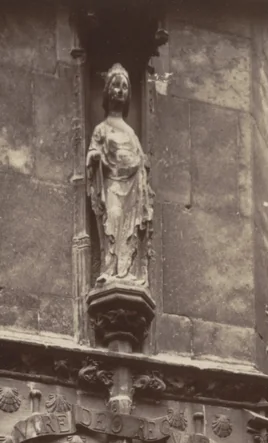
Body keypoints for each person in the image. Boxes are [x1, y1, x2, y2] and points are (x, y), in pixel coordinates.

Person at [86, 63, 153, 288]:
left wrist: (142, 167)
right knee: (112, 219)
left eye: (125, 87)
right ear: (107, 90)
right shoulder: (102, 128)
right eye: (115, 85)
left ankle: (127, 271)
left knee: (130, 229)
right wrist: (95, 158)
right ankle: (109, 269)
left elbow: (140, 157)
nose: (120, 91)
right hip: (112, 183)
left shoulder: (130, 132)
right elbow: (93, 151)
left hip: (132, 185)